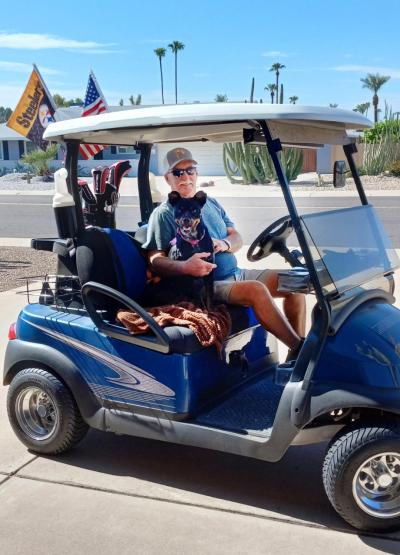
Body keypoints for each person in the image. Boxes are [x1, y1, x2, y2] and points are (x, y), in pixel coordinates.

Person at [143, 147, 306, 359]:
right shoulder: (164, 213)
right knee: (256, 290)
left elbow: (236, 237)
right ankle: (304, 353)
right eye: (178, 172)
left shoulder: (210, 203)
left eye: (190, 170)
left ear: (196, 174)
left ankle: (295, 359)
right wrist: (185, 267)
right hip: (206, 284)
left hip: (236, 273)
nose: (185, 176)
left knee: (296, 283)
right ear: (167, 179)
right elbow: (155, 259)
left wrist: (225, 244)